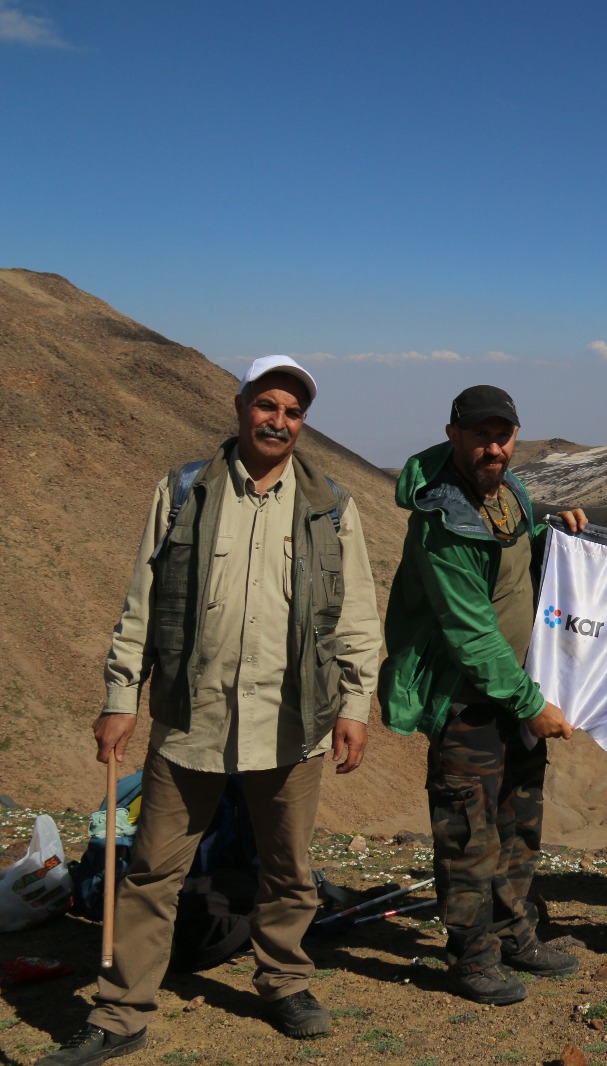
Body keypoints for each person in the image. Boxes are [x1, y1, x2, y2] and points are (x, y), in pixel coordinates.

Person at [48, 357, 382, 1065]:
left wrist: (356, 705)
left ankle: (285, 980)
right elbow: (142, 604)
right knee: (150, 870)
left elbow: (356, 617)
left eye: (293, 413)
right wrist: (119, 699)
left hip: (293, 721)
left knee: (287, 867)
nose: (279, 422)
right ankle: (120, 1010)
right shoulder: (183, 492)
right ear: (239, 408)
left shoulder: (331, 505)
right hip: (190, 722)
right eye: (268, 406)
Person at [380, 385, 580, 1006]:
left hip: (514, 693)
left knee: (518, 822)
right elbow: (469, 631)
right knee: (469, 833)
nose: (493, 446)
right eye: (480, 435)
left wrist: (554, 537)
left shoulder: (506, 493)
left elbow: (513, 571)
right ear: (453, 435)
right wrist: (530, 704)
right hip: (469, 703)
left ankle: (516, 935)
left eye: (503, 434)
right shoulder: (443, 519)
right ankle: (471, 957)